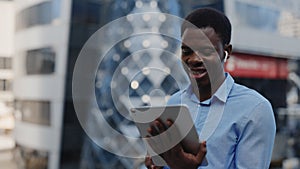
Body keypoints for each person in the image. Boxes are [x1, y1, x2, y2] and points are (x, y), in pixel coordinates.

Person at [145, 8, 276, 169]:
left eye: (206, 51)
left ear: (226, 52)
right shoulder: (174, 102)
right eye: (187, 51)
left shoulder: (255, 110)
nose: (194, 59)